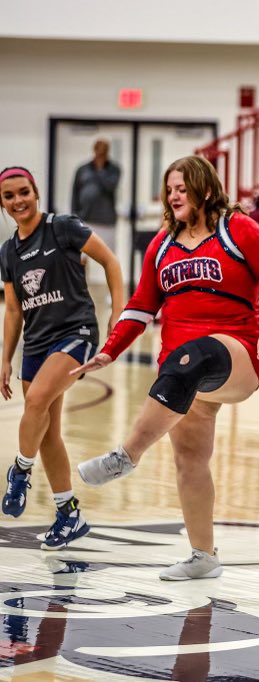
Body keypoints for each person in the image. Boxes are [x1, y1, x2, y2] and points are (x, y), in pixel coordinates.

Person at [73, 155, 259, 580]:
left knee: (194, 355)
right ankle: (203, 556)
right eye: (170, 189)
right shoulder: (162, 244)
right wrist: (110, 350)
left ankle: (126, 456)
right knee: (190, 459)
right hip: (180, 372)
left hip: (237, 352)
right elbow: (141, 307)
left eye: (182, 188)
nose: (174, 196)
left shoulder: (238, 228)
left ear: (205, 190)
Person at [0, 166, 124, 549]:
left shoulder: (63, 227)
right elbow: (14, 311)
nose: (18, 201)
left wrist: (118, 317)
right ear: (2, 203)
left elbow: (111, 263)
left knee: (36, 400)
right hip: (35, 344)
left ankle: (20, 471)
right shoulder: (8, 252)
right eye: (9, 196)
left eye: (24, 192)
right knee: (48, 433)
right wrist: (5, 359)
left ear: (35, 192)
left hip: (76, 333)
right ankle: (68, 513)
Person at [71, 139, 121, 252]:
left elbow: (110, 187)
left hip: (106, 222)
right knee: (81, 255)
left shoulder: (114, 170)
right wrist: (74, 216)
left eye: (103, 153)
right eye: (98, 152)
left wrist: (100, 169)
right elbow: (75, 193)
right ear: (94, 151)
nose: (100, 155)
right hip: (85, 219)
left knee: (107, 255)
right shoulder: (83, 169)